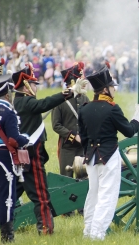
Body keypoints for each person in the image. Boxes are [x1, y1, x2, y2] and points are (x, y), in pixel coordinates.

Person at [78, 63, 139, 240]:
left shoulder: (84, 109)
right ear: (105, 89)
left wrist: (88, 154)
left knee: (93, 194)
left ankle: (88, 229)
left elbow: (83, 137)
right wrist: (137, 118)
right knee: (107, 195)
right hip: (108, 156)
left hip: (91, 157)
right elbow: (129, 131)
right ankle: (97, 233)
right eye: (112, 86)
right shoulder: (112, 108)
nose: (114, 89)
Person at [12, 63, 74, 235]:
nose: (35, 87)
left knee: (10, 194)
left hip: (21, 157)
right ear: (25, 85)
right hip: (32, 157)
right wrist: (66, 94)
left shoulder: (18, 102)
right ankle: (46, 230)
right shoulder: (25, 102)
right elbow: (45, 103)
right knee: (41, 196)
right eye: (33, 84)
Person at [51, 62, 89, 216]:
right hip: (67, 146)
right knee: (66, 178)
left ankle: (82, 208)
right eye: (80, 77)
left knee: (83, 176)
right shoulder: (61, 100)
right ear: (73, 81)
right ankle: (67, 210)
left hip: (82, 146)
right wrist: (73, 136)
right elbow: (56, 125)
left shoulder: (84, 97)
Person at [0, 74, 30, 242]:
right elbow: (14, 139)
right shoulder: (8, 111)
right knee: (6, 196)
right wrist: (26, 138)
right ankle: (7, 236)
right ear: (7, 94)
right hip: (2, 157)